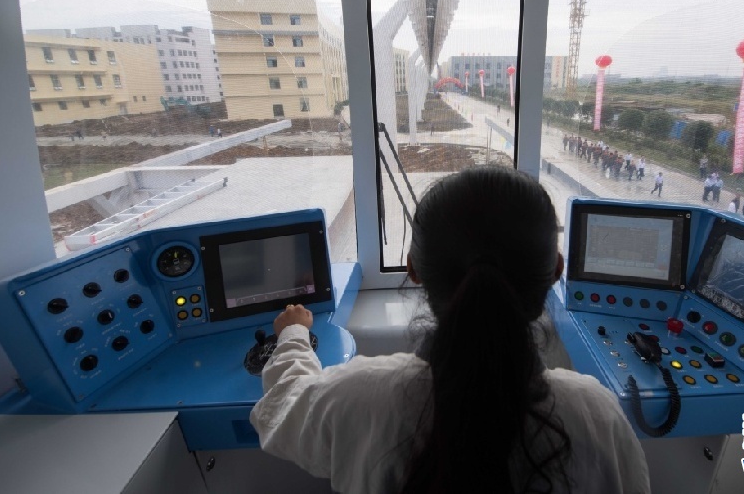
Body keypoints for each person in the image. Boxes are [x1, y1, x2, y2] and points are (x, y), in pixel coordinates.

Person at [250, 167, 649, 493]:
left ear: (414, 270)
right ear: (555, 272)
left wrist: (293, 335)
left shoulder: (357, 399)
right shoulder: (597, 417)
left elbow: (283, 409)